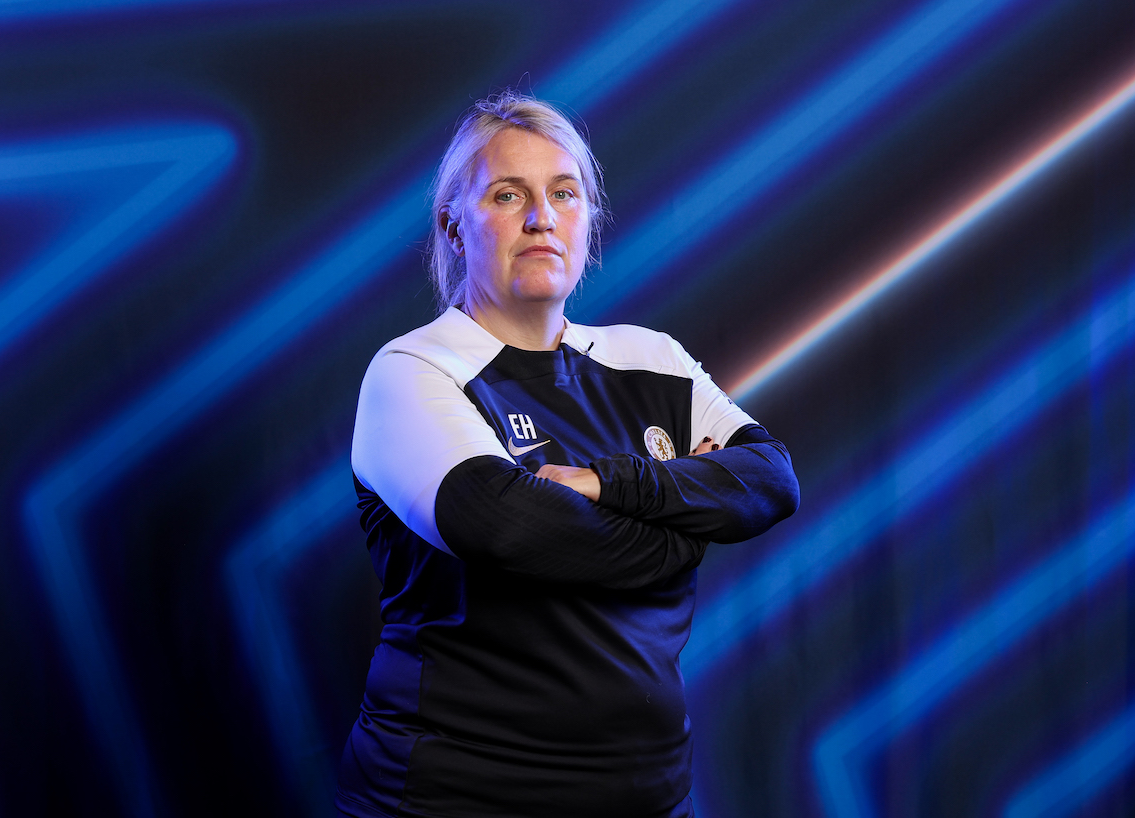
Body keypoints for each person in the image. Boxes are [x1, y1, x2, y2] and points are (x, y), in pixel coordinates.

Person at [336, 90, 799, 818]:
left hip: (647, 795)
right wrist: (685, 528)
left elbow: (771, 479)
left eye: (563, 193)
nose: (540, 217)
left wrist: (601, 483)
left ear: (588, 218)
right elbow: (506, 528)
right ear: (454, 226)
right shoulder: (411, 371)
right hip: (455, 798)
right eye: (507, 194)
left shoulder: (650, 358)